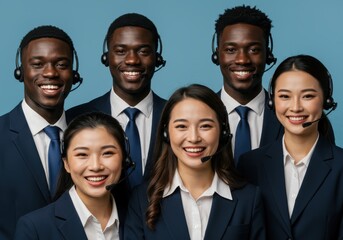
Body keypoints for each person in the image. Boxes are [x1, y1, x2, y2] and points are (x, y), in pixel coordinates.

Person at [125, 84, 266, 240]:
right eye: (181, 126)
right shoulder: (141, 199)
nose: (193, 138)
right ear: (166, 133)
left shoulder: (249, 199)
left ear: (223, 132)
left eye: (205, 126)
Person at [237, 55, 343, 239]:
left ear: (326, 99)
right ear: (272, 101)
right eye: (284, 96)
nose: (295, 107)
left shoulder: (341, 167)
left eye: (308, 96)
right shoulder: (250, 165)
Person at [0, 25, 82, 240]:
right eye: (37, 64)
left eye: (61, 65)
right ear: (21, 71)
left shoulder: (90, 135)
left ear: (74, 73)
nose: (50, 73)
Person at [67, 13, 166, 189]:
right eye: (121, 51)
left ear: (157, 58)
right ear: (107, 57)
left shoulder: (175, 116)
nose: (132, 60)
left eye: (143, 51)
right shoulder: (75, 118)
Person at [14, 112, 132, 239]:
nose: (96, 166)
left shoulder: (139, 219)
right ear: (66, 164)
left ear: (124, 160)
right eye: (82, 154)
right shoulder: (34, 228)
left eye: (107, 153)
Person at [212, 5, 282, 162]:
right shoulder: (198, 114)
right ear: (217, 54)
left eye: (254, 50)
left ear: (268, 54)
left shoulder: (293, 115)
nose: (242, 60)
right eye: (231, 50)